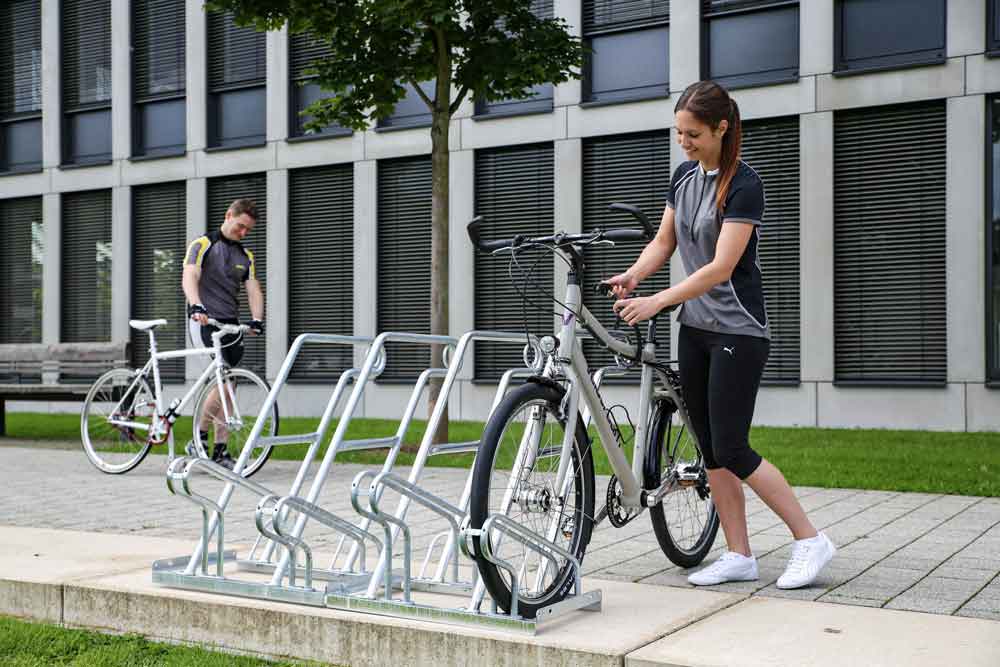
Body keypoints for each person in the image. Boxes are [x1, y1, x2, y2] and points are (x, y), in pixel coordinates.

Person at [604, 80, 835, 590]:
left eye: (692, 133)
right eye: (679, 132)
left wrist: (659, 300)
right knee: (710, 449)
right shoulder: (684, 178)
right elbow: (665, 241)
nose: (683, 141)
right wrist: (635, 275)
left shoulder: (744, 183)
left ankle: (811, 540)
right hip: (697, 330)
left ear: (721, 128)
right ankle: (739, 554)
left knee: (732, 446)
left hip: (738, 331)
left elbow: (720, 266)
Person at [181, 198, 265, 470]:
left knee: (230, 387)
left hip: (231, 325)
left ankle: (219, 451)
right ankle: (198, 438)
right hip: (204, 320)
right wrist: (196, 304)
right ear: (229, 215)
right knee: (223, 382)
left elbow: (253, 288)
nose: (243, 233)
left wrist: (256, 319)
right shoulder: (203, 244)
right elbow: (190, 274)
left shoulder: (245, 256)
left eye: (247, 231)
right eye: (240, 226)